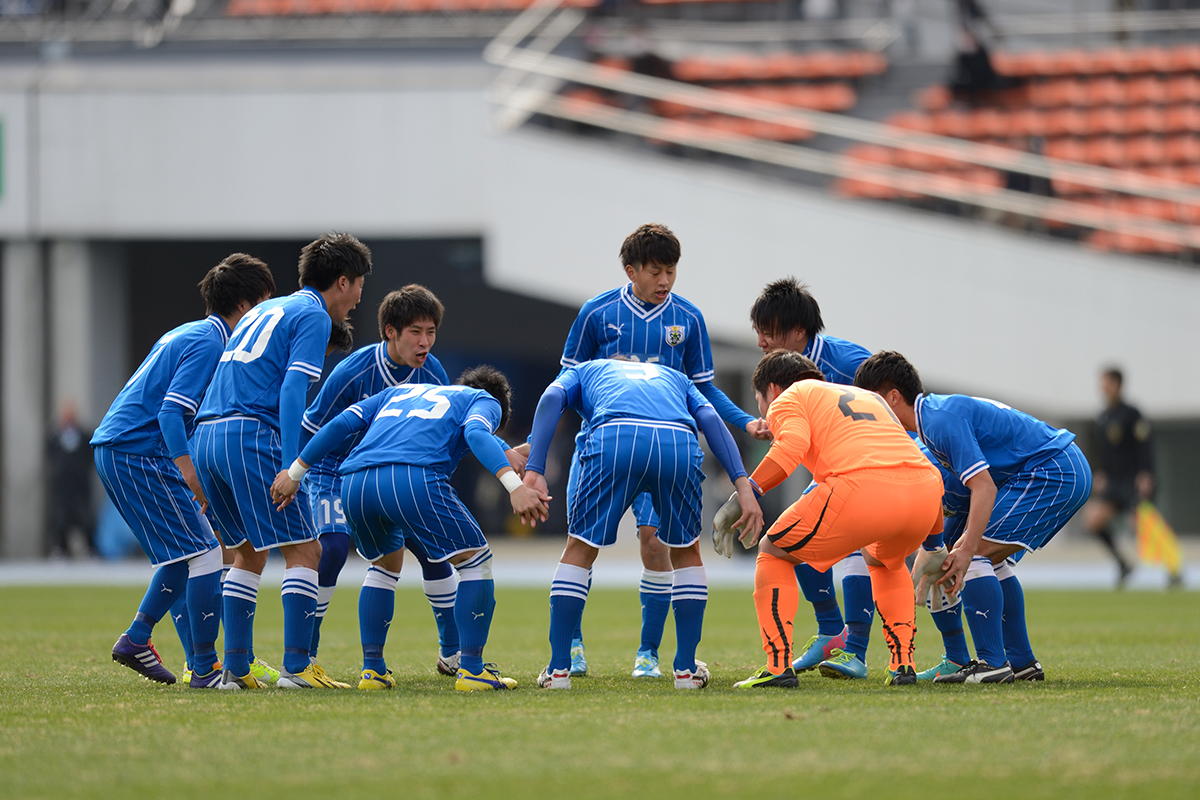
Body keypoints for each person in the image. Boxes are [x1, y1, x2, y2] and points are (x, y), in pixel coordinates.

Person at [558, 223, 768, 680]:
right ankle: (570, 647)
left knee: (657, 546)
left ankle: (647, 655)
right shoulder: (597, 313)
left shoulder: (687, 319)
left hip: (667, 447)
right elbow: (567, 386)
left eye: (671, 271)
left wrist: (744, 421)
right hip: (604, 446)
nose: (665, 282)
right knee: (583, 544)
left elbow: (705, 391)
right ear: (631, 270)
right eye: (655, 272)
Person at [272, 366, 548, 691]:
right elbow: (476, 433)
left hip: (355, 482)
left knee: (384, 565)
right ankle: (472, 669)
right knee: (476, 561)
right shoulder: (484, 400)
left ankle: (373, 671)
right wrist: (515, 486)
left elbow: (342, 423)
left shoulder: (399, 393)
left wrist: (295, 472)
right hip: (412, 478)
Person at [299, 286, 526, 675]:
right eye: (416, 332)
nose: (425, 342)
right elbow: (316, 427)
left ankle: (445, 653)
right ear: (390, 331)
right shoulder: (352, 370)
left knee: (429, 551)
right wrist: (295, 473)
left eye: (432, 332)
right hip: (331, 471)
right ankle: (304, 654)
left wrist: (500, 450)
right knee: (334, 548)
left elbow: (447, 429)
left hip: (369, 477)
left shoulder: (432, 371)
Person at [194, 232, 372, 690]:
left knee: (247, 553)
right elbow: (293, 390)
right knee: (306, 550)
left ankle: (235, 670)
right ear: (342, 280)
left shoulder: (268, 309)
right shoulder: (312, 314)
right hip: (250, 434)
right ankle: (296, 669)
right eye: (358, 286)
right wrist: (294, 466)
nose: (357, 298)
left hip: (209, 434)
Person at [523, 358, 763, 690]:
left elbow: (551, 400)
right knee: (685, 552)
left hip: (614, 437)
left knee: (580, 548)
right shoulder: (675, 376)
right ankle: (686, 671)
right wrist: (743, 486)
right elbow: (709, 417)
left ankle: (559, 670)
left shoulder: (586, 368)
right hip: (676, 442)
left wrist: (534, 469)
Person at [93, 254, 276, 687]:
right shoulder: (212, 342)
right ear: (248, 306)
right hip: (138, 452)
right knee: (206, 552)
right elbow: (172, 413)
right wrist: (189, 471)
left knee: (186, 553)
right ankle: (203, 664)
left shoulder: (194, 332)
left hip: (121, 449)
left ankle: (167, 649)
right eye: (266, 304)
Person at [855, 351, 1092, 683]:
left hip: (1053, 470)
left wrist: (963, 551)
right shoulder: (932, 422)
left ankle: (993, 663)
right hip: (1058, 467)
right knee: (980, 558)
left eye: (870, 401)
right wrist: (948, 550)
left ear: (893, 397)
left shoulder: (937, 421)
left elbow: (983, 487)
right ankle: (1021, 661)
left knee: (974, 555)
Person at [732, 350, 943, 689]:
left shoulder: (790, 397)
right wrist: (935, 543)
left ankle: (777, 667)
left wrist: (748, 491)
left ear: (771, 390)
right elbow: (910, 459)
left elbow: (792, 446)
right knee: (884, 562)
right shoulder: (863, 395)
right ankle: (903, 664)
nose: (763, 410)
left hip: (861, 485)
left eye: (759, 400)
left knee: (774, 548)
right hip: (925, 490)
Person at [749, 277, 880, 680]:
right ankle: (831, 632)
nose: (761, 342)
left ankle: (853, 648)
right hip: (834, 472)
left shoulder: (850, 363)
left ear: (799, 333)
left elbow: (893, 408)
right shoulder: (787, 372)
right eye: (759, 332)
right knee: (793, 534)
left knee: (859, 548)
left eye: (769, 332)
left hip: (873, 470)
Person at [1083, 367, 1155, 586]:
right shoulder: (1103, 416)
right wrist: (1101, 473)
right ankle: (1123, 563)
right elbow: (1103, 452)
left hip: (1133, 480)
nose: (1103, 388)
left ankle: (1174, 569)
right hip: (1114, 482)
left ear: (1118, 385)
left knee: (1144, 527)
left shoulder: (1132, 413)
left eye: (1107, 383)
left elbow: (1145, 446)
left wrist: (1145, 473)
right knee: (1093, 520)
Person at [46, 402, 96, 558]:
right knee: (61, 517)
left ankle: (89, 547)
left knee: (84, 516)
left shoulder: (84, 436)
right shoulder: (54, 437)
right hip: (62, 485)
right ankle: (61, 548)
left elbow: (89, 457)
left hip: (80, 485)